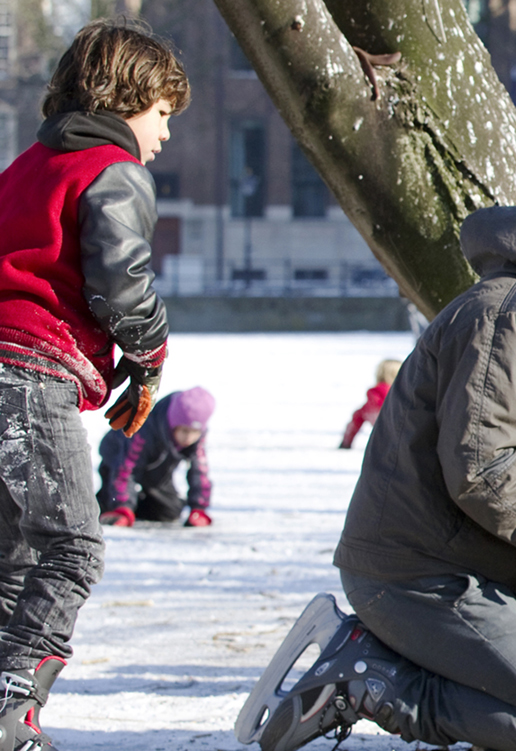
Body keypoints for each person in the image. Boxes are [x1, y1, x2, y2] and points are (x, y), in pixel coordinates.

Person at [250, 174, 516, 751]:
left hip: (484, 571)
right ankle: (369, 683)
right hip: (418, 574)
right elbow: (483, 470)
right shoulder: (511, 319)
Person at [0, 19, 185, 749]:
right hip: (31, 371)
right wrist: (149, 355)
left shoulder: (24, 166)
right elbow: (121, 282)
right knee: (73, 546)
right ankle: (11, 706)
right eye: (163, 114)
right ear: (128, 96)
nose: (164, 135)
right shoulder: (112, 168)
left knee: (14, 555)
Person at [97, 386, 215, 527]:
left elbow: (199, 470)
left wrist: (199, 508)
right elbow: (125, 469)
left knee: (168, 512)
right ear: (174, 423)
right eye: (184, 431)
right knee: (111, 501)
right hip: (118, 460)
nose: (188, 438)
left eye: (194, 432)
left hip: (157, 468)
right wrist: (123, 507)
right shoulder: (145, 429)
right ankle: (116, 507)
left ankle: (136, 506)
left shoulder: (195, 439)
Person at [338, 358, 401, 449]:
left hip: (384, 444)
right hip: (402, 441)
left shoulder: (372, 400)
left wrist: (345, 443)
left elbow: (355, 421)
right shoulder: (397, 395)